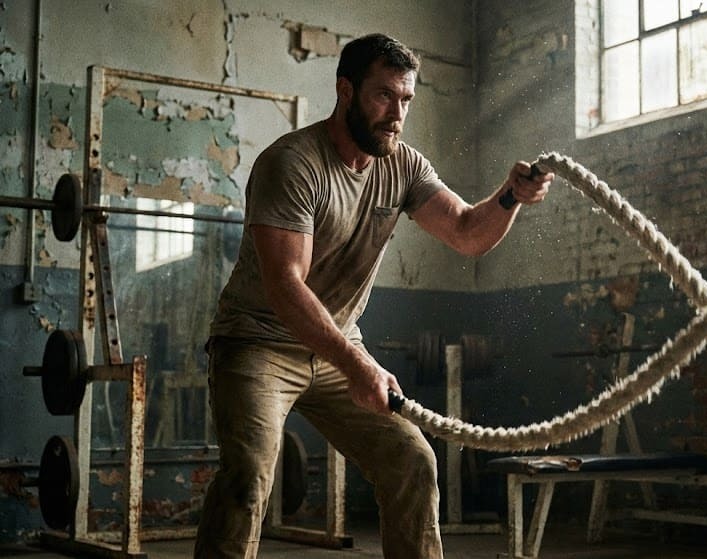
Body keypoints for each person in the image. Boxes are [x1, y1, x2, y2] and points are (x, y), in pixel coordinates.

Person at [193, 33, 552, 558]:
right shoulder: (293, 163)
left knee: (412, 462)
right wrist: (358, 364)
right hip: (259, 344)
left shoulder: (402, 165)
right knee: (247, 479)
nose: (396, 114)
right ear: (346, 91)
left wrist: (510, 196)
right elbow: (286, 286)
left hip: (338, 346)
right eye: (384, 95)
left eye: (406, 99)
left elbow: (469, 232)